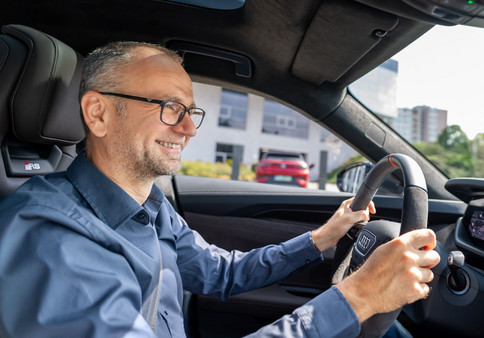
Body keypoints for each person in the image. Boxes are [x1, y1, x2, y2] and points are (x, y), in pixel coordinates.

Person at [0, 42, 440, 337]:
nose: (189, 128)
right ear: (98, 114)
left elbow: (222, 274)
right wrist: (358, 297)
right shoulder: (49, 235)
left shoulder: (150, 205)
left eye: (191, 110)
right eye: (171, 108)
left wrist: (322, 239)